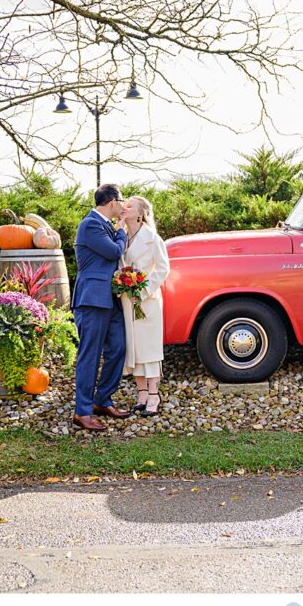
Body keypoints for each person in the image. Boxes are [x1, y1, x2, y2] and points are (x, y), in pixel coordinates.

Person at [71, 183, 133, 431]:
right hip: (92, 299)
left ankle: (102, 400)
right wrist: (122, 231)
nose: (123, 206)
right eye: (122, 201)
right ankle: (82, 411)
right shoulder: (91, 225)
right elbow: (113, 251)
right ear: (112, 202)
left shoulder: (104, 225)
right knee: (90, 354)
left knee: (118, 348)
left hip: (110, 299)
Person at [119, 196, 170, 415]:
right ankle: (140, 391)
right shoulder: (120, 237)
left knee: (149, 348)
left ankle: (153, 394)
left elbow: (163, 268)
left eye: (129, 206)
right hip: (126, 301)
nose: (124, 207)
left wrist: (143, 290)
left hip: (146, 301)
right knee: (134, 347)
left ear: (140, 214)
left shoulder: (152, 238)